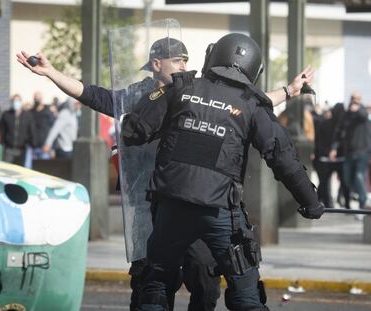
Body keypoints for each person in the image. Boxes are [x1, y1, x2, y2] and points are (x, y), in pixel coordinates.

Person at [121, 33, 324, 311]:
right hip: (220, 214)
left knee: (155, 288)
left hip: (170, 209)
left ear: (212, 57)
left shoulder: (181, 88)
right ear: (254, 69)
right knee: (246, 296)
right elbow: (282, 157)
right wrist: (310, 203)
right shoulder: (251, 103)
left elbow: (133, 131)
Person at [17, 39, 221, 311]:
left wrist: (288, 91)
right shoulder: (139, 95)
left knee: (204, 274)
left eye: (185, 59)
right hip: (148, 200)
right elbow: (95, 96)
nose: (184, 65)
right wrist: (52, 72)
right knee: (151, 284)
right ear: (156, 64)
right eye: (177, 60)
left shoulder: (194, 92)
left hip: (188, 199)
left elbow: (237, 107)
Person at [330, 92, 370, 211]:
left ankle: (363, 203)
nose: (355, 101)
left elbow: (364, 116)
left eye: (358, 99)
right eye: (353, 99)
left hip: (362, 151)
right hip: (349, 152)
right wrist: (334, 148)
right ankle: (358, 194)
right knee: (347, 179)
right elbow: (338, 131)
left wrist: (357, 109)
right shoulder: (346, 115)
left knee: (358, 176)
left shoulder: (363, 112)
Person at [0, 94, 37, 166]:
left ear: (21, 102)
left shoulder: (27, 115)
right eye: (14, 101)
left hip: (22, 149)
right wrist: (1, 144)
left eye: (18, 101)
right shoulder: (6, 114)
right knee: (8, 169)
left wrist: (33, 143)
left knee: (20, 170)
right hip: (9, 149)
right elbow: (2, 131)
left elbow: (32, 130)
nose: (16, 103)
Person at [31, 91, 55, 160]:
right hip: (34, 146)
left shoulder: (48, 111)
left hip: (45, 146)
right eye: (35, 99)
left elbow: (53, 128)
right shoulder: (31, 112)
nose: (37, 100)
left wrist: (51, 146)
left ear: (42, 99)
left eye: (38, 98)